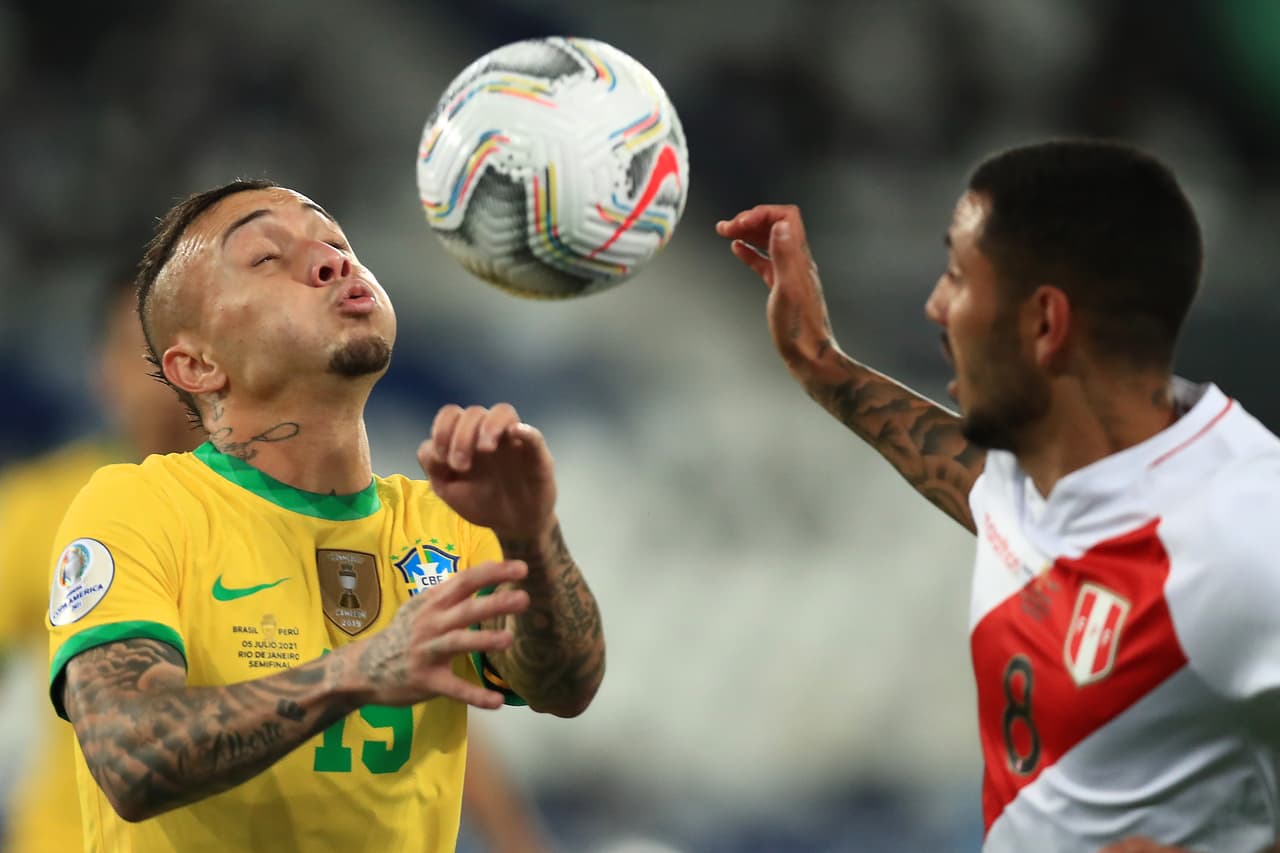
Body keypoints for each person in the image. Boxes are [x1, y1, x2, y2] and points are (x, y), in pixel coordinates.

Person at [716, 140, 1280, 853]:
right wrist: (818, 360)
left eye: (957, 275)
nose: (935, 305)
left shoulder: (1246, 533)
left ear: (1045, 323)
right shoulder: (1042, 470)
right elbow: (964, 474)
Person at [45, 179, 605, 852]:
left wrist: (532, 536)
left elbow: (566, 685)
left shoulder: (444, 518)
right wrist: (355, 671)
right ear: (196, 365)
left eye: (337, 242)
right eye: (266, 256)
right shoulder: (139, 506)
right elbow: (129, 754)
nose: (333, 259)